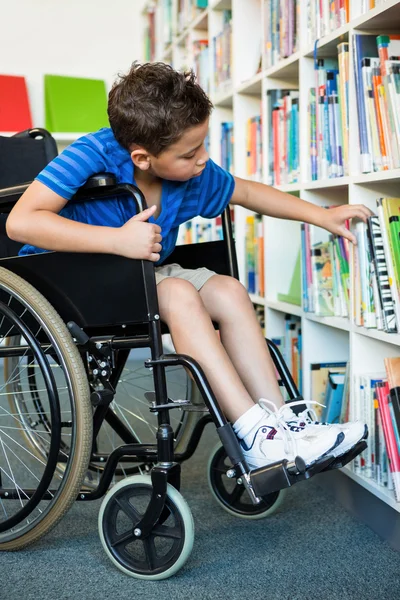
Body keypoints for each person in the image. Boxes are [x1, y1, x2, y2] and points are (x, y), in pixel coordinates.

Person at [7, 62, 369, 470]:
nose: (203, 159)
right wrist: (117, 240)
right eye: (191, 153)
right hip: (73, 281)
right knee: (178, 293)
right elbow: (20, 222)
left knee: (228, 290)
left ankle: (283, 425)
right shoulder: (93, 153)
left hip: (141, 276)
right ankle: (252, 433)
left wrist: (321, 215)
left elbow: (245, 191)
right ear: (142, 157)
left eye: (203, 145)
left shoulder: (191, 175)